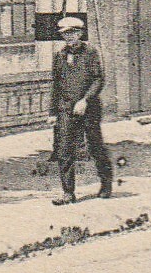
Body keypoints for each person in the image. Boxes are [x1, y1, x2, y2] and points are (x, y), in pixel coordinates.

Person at [47, 15, 113, 205]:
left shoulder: (90, 53)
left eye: (72, 33)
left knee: (95, 146)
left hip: (89, 108)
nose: (69, 37)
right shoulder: (59, 55)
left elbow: (98, 79)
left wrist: (85, 100)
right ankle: (68, 192)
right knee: (64, 149)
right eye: (65, 34)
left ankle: (106, 183)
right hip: (65, 109)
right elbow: (56, 85)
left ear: (80, 34)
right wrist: (52, 112)